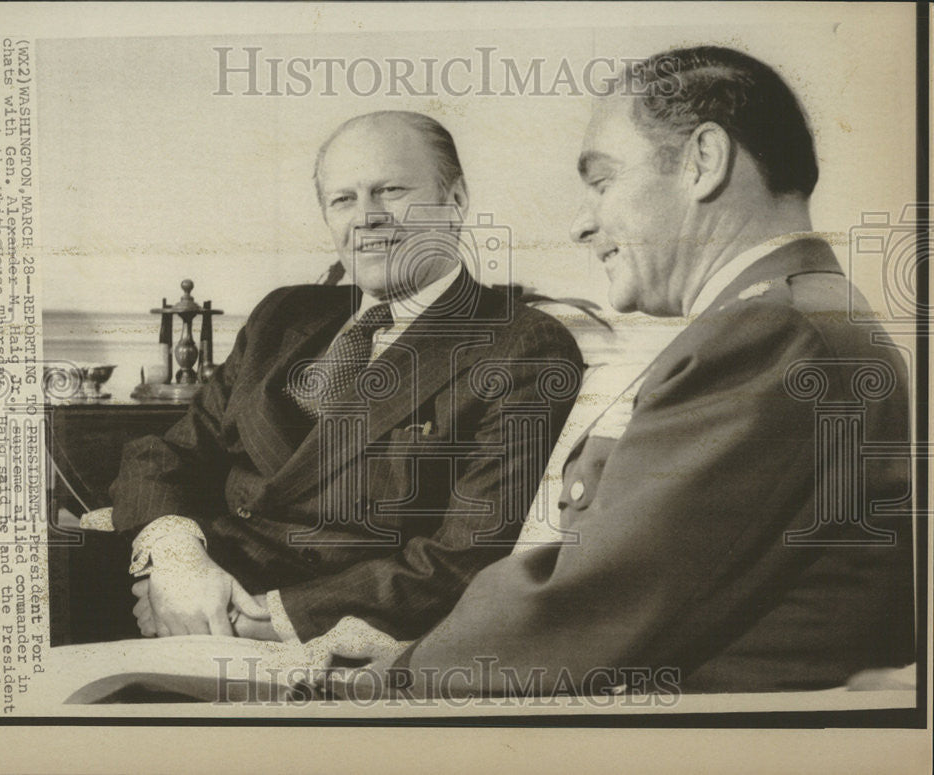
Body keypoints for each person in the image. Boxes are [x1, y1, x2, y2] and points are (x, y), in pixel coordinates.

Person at [370, 47, 915, 697]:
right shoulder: (802, 311)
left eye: (601, 182)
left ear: (703, 161)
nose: (580, 223)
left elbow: (582, 607)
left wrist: (375, 675)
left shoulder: (768, 334)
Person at [111, 110, 583, 646]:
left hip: (315, 639)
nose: (367, 218)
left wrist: (235, 619)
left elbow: (465, 559)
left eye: (391, 190)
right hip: (186, 592)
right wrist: (173, 565)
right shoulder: (283, 314)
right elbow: (167, 454)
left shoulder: (522, 345)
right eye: (344, 200)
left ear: (456, 201)